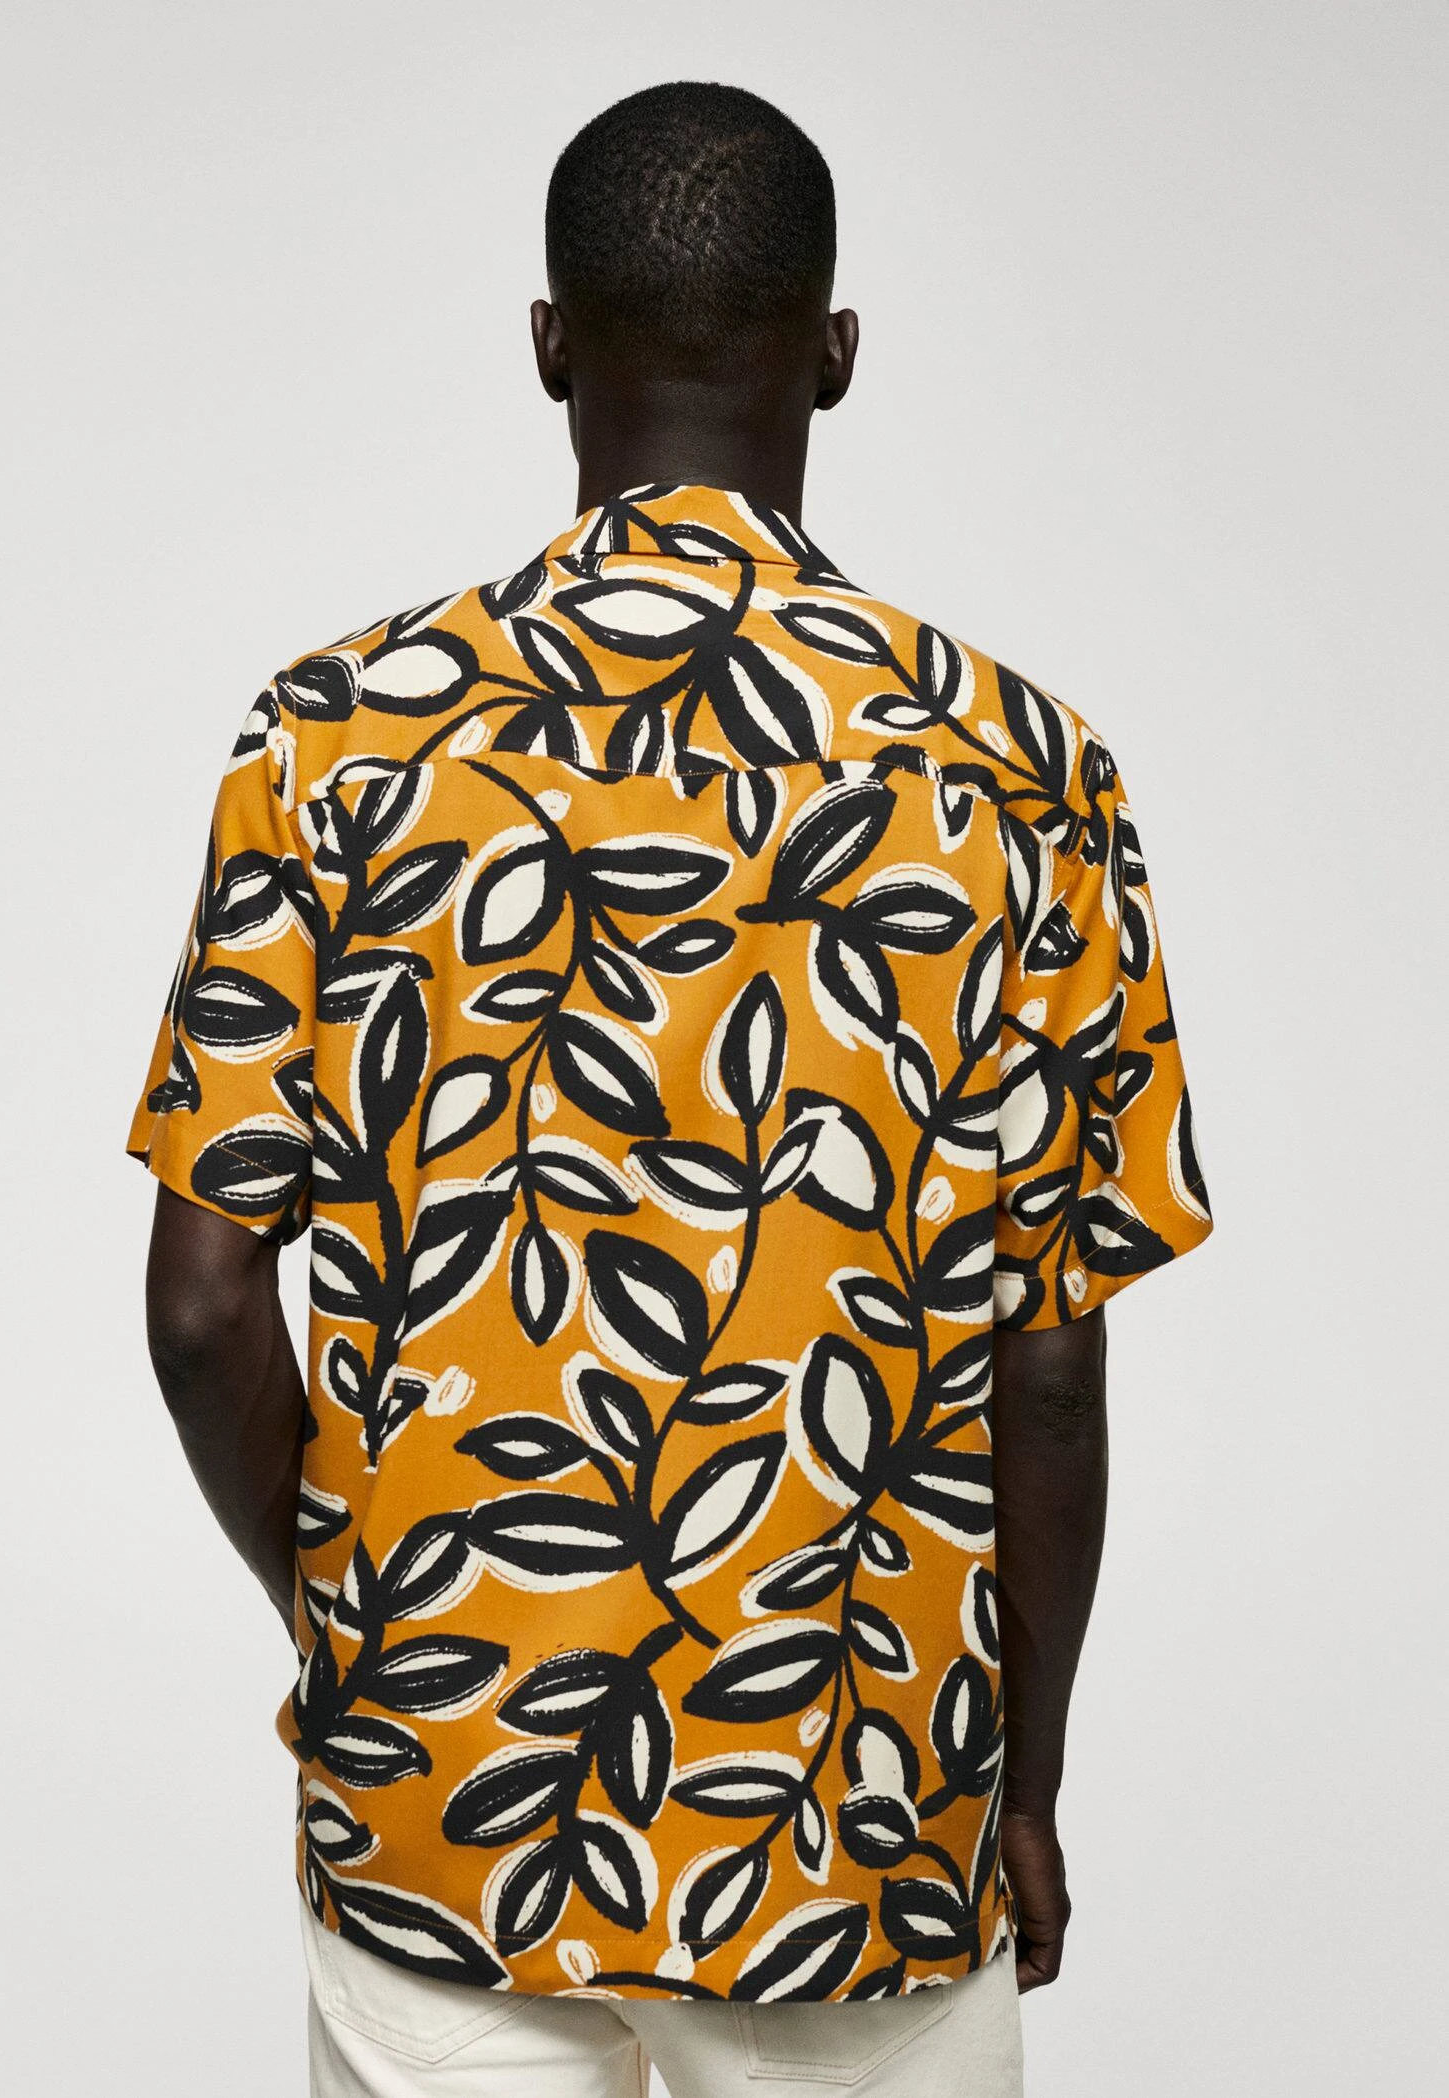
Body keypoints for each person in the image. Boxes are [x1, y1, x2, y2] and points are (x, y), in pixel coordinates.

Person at [129, 80, 1213, 2098]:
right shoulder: (1022, 770)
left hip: (443, 1800)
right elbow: (1051, 1369)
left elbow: (202, 1311)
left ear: (550, 346)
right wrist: (1022, 1783)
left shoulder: (332, 740)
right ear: (837, 354)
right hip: (856, 1819)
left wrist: (365, 1629)